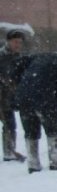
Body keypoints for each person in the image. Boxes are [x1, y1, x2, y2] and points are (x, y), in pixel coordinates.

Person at [14, 41, 57, 173]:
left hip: (24, 100)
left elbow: (18, 63)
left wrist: (21, 85)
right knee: (54, 130)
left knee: (31, 131)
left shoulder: (41, 56)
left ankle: (33, 164)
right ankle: (55, 162)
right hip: (45, 101)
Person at [0, 29, 31, 162]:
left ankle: (9, 152)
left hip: (9, 98)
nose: (18, 45)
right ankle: (9, 152)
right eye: (15, 42)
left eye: (20, 42)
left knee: (10, 124)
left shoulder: (20, 58)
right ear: (8, 41)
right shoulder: (1, 56)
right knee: (8, 124)